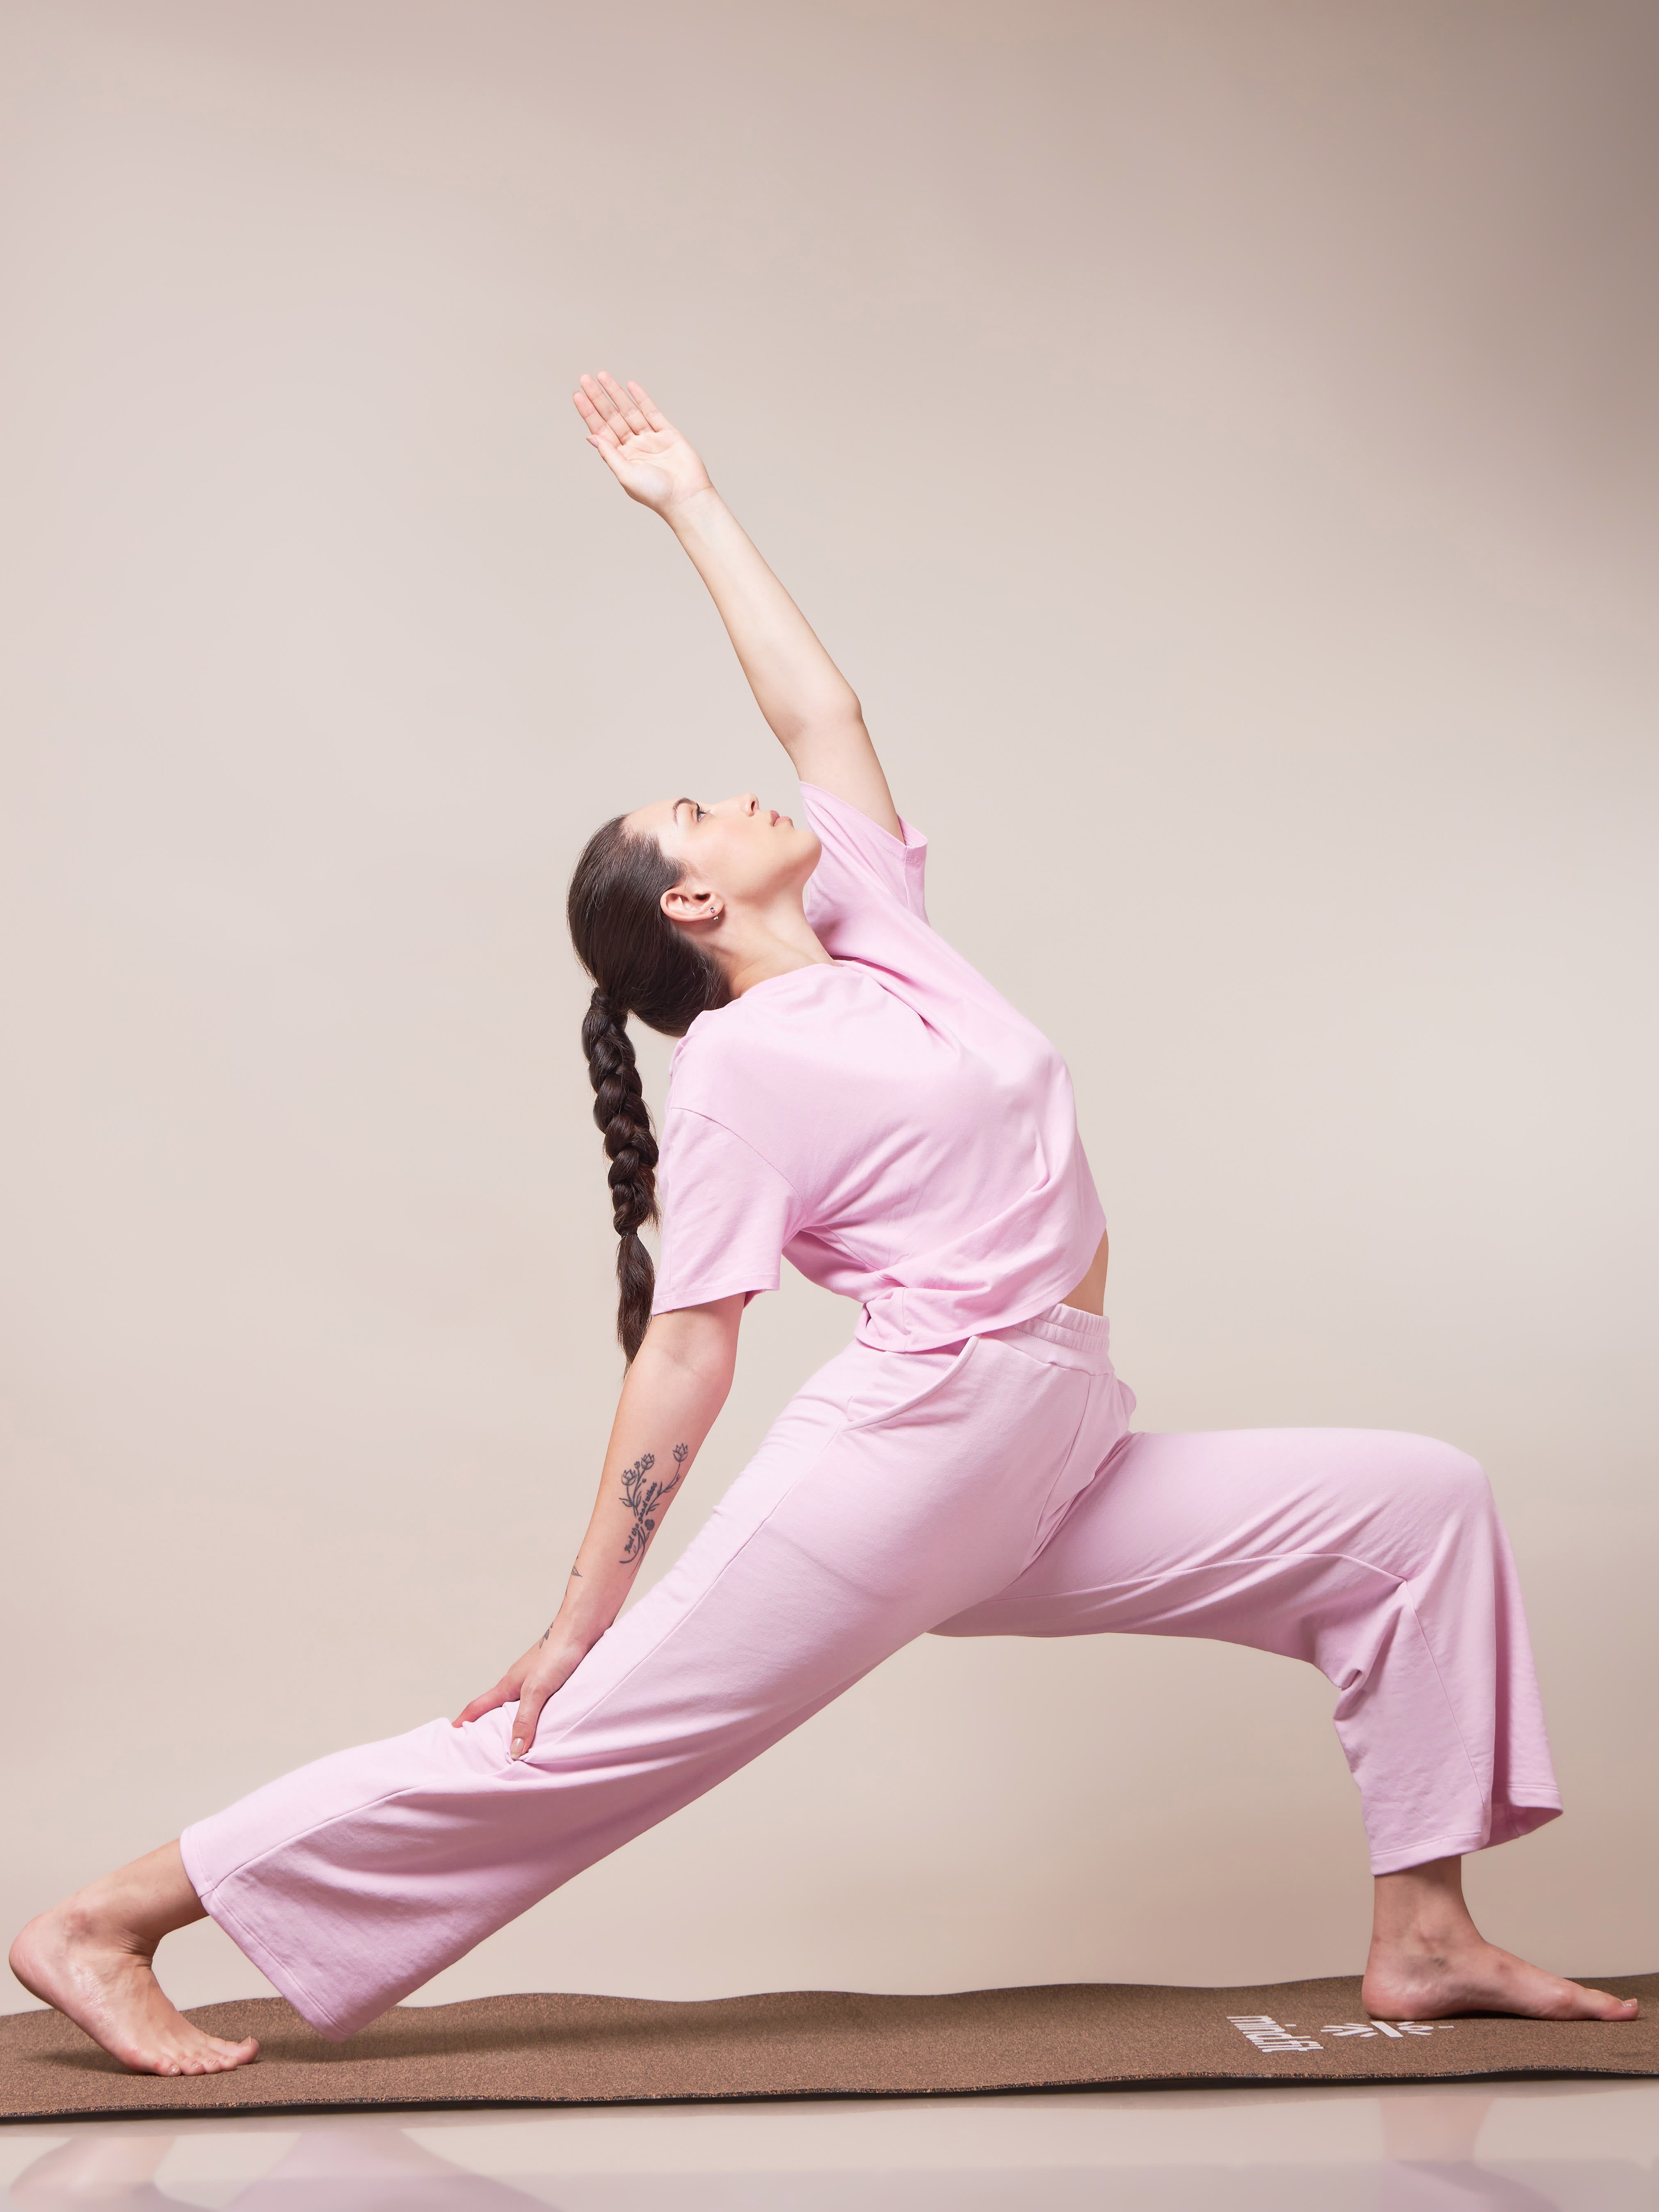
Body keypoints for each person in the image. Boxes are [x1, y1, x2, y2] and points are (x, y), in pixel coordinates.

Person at [10, 372, 1637, 2078]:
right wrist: (581, 1614)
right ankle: (109, 1920)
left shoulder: (878, 937)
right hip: (917, 1447)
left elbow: (820, 710)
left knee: (1411, 1507)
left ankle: (1426, 1934)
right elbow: (688, 1348)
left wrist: (690, 502)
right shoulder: (738, 1071)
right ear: (694, 900)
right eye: (696, 811)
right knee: (584, 1739)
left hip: (1052, 1438)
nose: (740, 795)